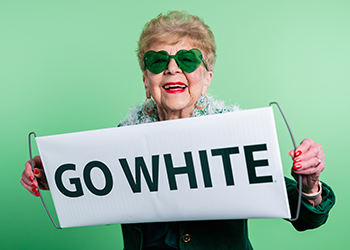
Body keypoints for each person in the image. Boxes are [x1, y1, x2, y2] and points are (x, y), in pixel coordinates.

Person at [21, 11, 335, 250]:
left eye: (187, 59)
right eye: (157, 61)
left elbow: (306, 218)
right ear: (146, 81)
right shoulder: (119, 142)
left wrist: (310, 185)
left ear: (207, 78)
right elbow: (91, 190)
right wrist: (56, 176)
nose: (172, 68)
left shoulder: (235, 135)